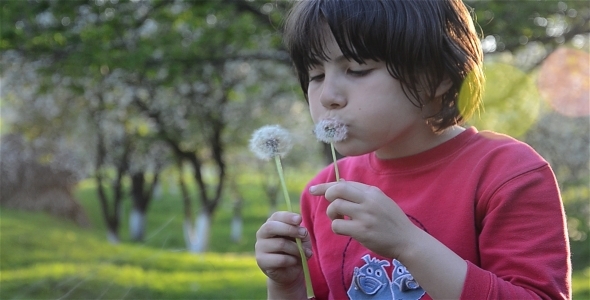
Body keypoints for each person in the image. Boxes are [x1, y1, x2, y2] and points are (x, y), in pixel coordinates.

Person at [254, 0, 572, 299]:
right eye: (316, 75)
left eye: (358, 69)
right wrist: (286, 286)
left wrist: (408, 244)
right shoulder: (323, 192)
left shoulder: (507, 173)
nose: (328, 96)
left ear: (436, 77)